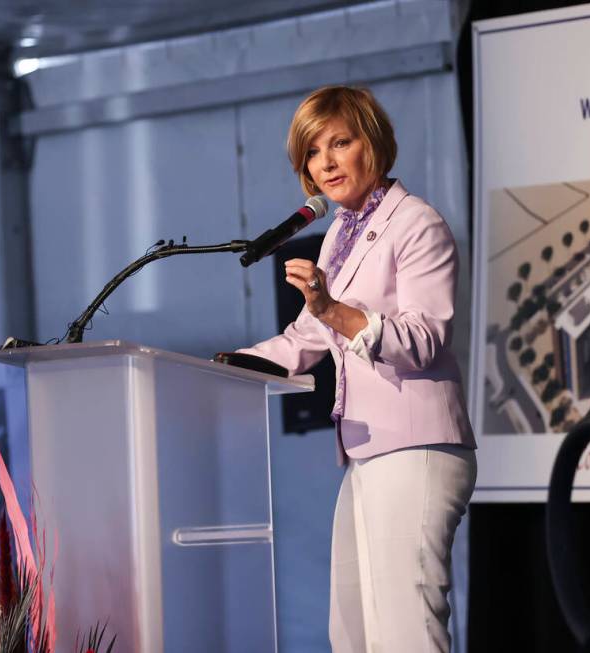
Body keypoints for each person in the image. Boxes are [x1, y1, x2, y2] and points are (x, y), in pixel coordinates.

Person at [238, 86, 476, 652]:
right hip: (367, 454)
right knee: (354, 633)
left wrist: (334, 310)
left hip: (417, 448)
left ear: (372, 142)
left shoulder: (417, 224)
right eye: (312, 154)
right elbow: (308, 336)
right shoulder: (338, 238)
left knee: (406, 634)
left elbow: (422, 341)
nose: (325, 162)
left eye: (339, 143)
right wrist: (230, 369)